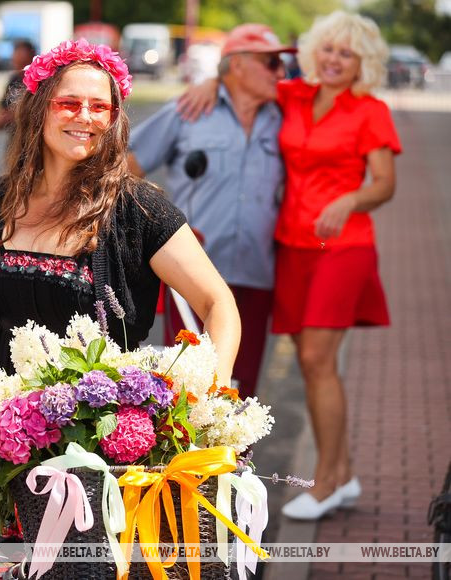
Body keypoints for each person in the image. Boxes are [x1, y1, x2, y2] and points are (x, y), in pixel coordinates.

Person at [180, 11, 401, 520]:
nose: (333, 60)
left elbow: (385, 184)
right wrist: (215, 76)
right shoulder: (296, 95)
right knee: (311, 361)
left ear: (362, 63)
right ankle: (341, 473)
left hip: (343, 247)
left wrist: (349, 201)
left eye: (346, 54)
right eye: (328, 49)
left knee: (316, 363)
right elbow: (246, 79)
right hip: (292, 247)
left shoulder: (370, 110)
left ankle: (325, 483)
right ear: (314, 51)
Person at [0, 39, 241, 391]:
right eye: (69, 103)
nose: (85, 117)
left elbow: (218, 303)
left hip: (97, 427)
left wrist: (215, 387)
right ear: (39, 109)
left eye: (99, 107)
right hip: (0, 419)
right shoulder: (3, 197)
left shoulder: (139, 211)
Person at [127, 23, 295, 399]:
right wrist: (148, 230)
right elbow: (127, 167)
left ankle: (232, 459)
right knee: (184, 385)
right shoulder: (189, 108)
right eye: (271, 63)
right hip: (192, 275)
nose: (282, 73)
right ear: (236, 65)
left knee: (241, 389)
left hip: (255, 272)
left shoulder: (287, 113)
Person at [0, 39, 36, 134]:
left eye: (23, 63)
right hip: (15, 140)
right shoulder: (13, 80)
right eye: (16, 62)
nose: (20, 68)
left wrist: (15, 115)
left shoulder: (40, 81)